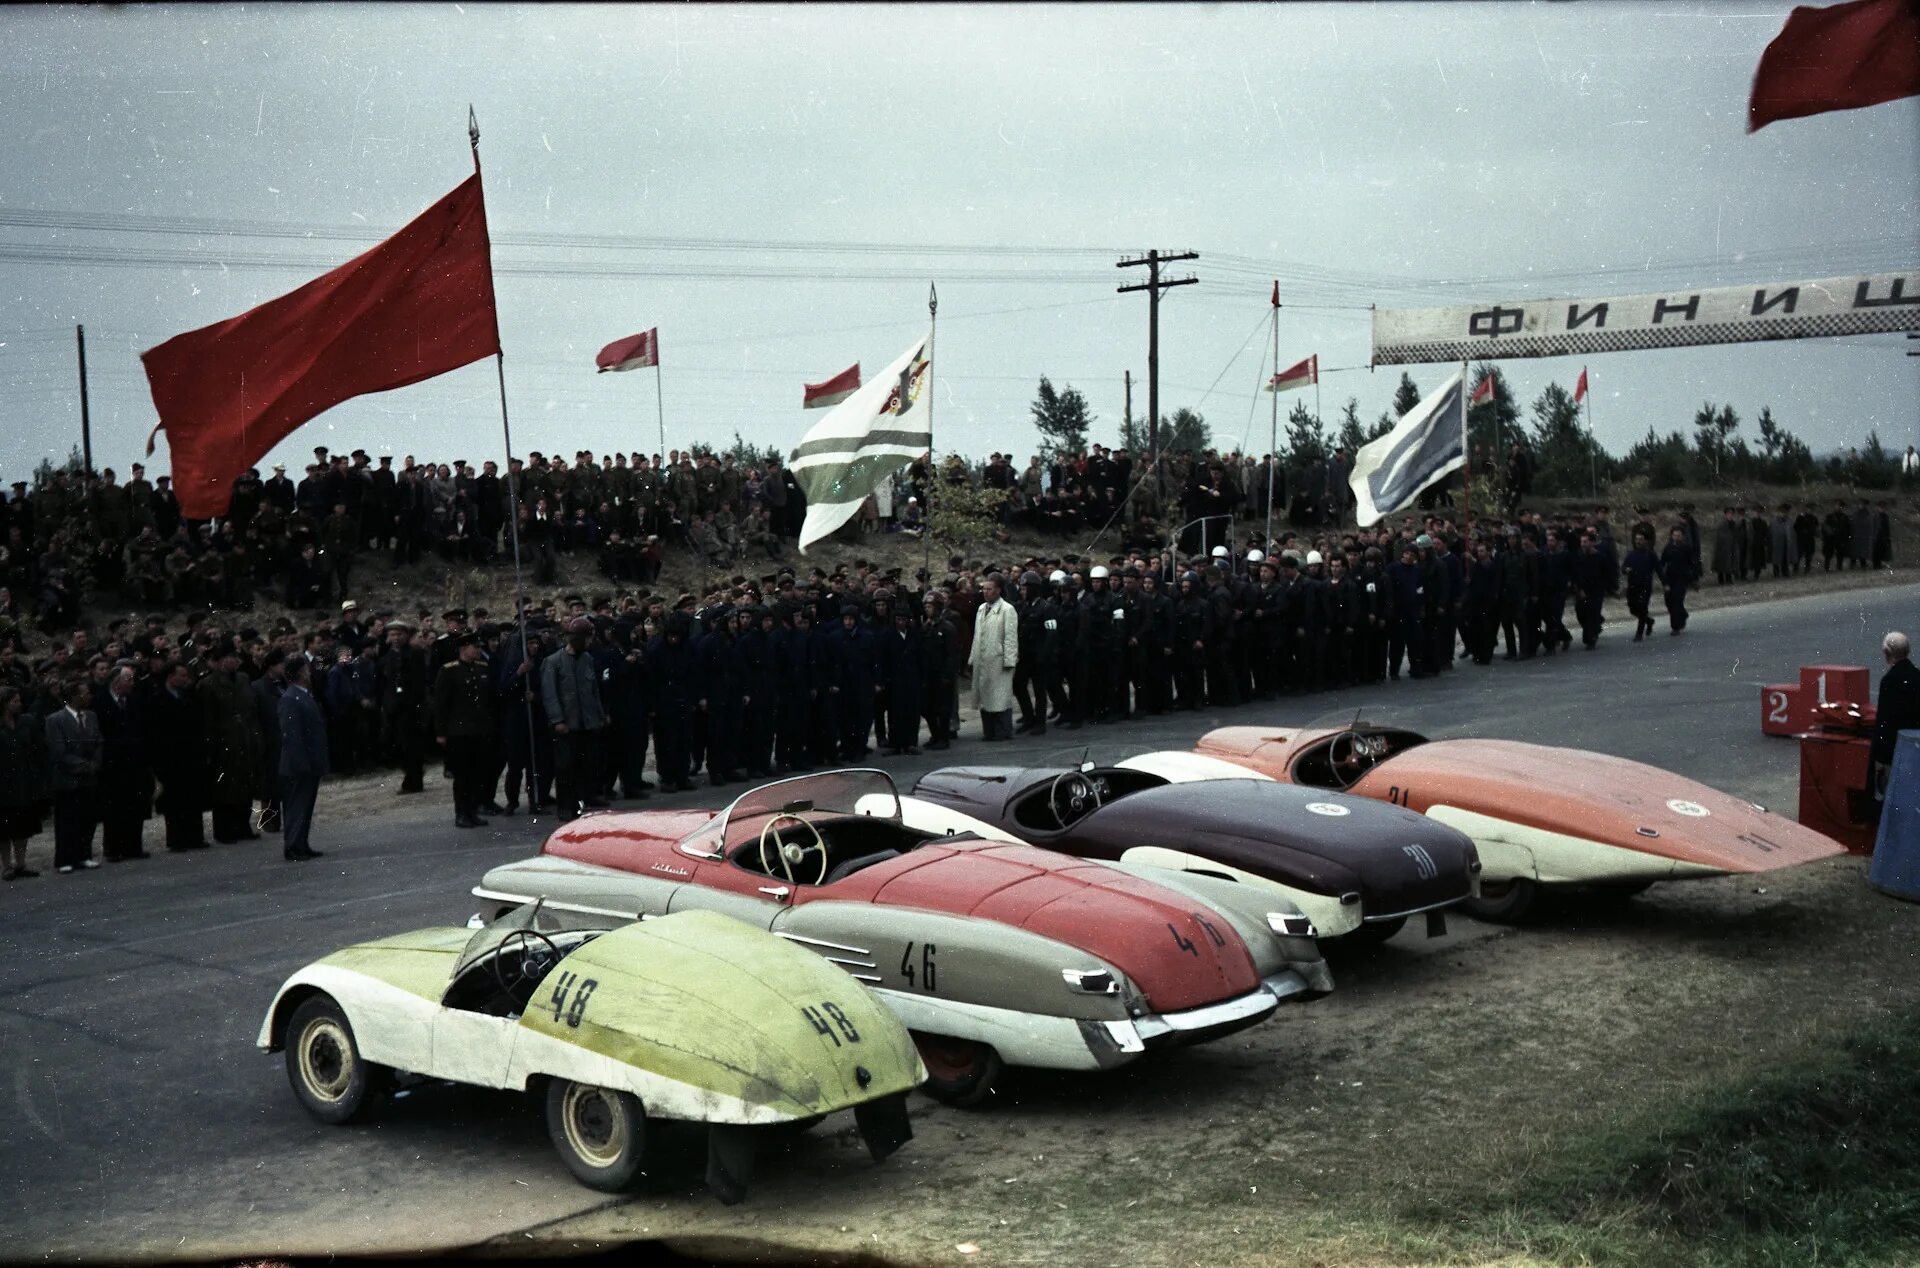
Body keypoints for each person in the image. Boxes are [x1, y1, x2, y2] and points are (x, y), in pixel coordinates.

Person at [542, 617, 609, 820]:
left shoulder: (588, 659)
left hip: (586, 724)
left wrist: (600, 715)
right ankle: (565, 807)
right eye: (587, 638)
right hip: (566, 726)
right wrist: (558, 720)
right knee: (565, 768)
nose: (590, 642)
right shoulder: (553, 662)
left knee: (585, 766)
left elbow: (593, 690)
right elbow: (550, 694)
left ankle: (581, 802)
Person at [433, 632, 499, 829]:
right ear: (464, 649)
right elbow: (441, 704)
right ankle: (461, 813)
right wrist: (441, 732)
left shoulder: (483, 668)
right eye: (475, 647)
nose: (478, 651)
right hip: (459, 731)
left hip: (480, 729)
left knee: (479, 774)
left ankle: (473, 810)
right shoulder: (449, 671)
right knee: (462, 775)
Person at [96, 665, 153, 861]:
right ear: (116, 681)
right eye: (128, 679)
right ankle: (113, 849)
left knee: (134, 806)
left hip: (134, 761)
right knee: (114, 808)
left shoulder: (135, 701)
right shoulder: (100, 701)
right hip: (113, 763)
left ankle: (133, 847)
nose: (132, 683)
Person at [45, 681, 103, 873]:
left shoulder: (91, 716)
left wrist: (95, 763)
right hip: (67, 779)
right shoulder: (55, 720)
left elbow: (98, 742)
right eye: (85, 692)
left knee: (88, 818)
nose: (89, 696)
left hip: (89, 778)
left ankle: (84, 855)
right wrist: (83, 766)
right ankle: (64, 859)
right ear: (73, 696)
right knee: (67, 820)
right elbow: (59, 751)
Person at [276, 655, 327, 861]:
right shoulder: (290, 698)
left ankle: (301, 843)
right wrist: (300, 763)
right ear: (299, 673)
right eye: (306, 670)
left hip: (310, 762)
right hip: (299, 764)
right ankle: (293, 845)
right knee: (297, 805)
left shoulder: (304, 695)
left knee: (305, 805)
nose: (309, 673)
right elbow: (291, 735)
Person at [0, 686, 48, 880]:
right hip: (2, 784)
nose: (19, 704)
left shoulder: (27, 722)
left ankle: (21, 863)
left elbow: (39, 749)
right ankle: (6, 865)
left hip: (24, 781)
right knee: (3, 828)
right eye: (15, 701)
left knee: (22, 826)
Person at [969, 573, 1019, 740]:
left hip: (998, 661)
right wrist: (972, 657)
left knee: (1000, 697)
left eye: (989, 589)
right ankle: (988, 731)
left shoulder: (1007, 610)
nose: (985, 592)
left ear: (998, 590)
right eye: (984, 589)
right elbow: (977, 635)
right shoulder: (981, 609)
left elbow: (1011, 638)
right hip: (983, 659)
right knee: (985, 697)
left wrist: (1009, 660)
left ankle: (1003, 731)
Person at [1871, 632, 1919, 796]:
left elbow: (1885, 720)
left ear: (1886, 653)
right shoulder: (1917, 676)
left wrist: (1878, 754)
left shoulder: (1889, 681)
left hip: (1896, 749)